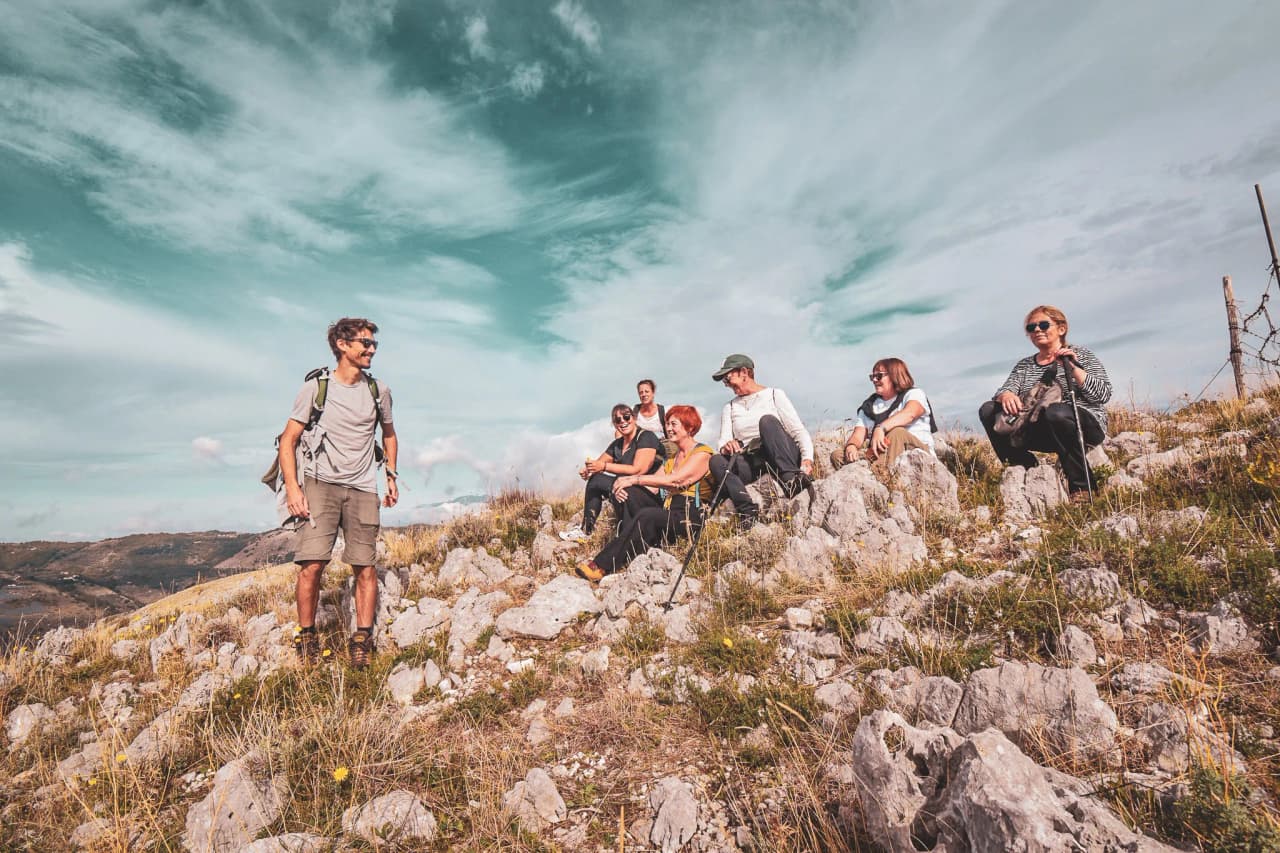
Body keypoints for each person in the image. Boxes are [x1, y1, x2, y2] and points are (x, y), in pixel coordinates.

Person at [278, 318, 398, 669]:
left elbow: (389, 434)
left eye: (374, 343)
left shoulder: (379, 391)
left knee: (366, 565)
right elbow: (289, 440)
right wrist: (293, 489)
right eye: (365, 342)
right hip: (320, 484)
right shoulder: (316, 389)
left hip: (362, 487)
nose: (372, 349)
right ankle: (307, 637)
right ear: (342, 345)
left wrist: (390, 475)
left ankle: (362, 639)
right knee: (311, 565)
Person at [979, 305, 1111, 502]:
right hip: (1035, 425)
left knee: (1055, 412)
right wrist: (1006, 396)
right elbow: (1003, 390)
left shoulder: (1080, 354)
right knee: (988, 410)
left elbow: (1102, 394)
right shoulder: (1024, 365)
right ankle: (1024, 468)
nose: (1037, 330)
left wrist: (1072, 367)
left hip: (1080, 424)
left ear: (1061, 329)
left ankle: (1082, 488)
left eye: (1043, 324)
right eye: (1031, 328)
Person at [575, 405, 714, 581]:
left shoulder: (702, 453)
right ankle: (631, 547)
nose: (669, 429)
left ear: (690, 427)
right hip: (670, 512)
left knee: (647, 514)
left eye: (674, 424)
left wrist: (635, 479)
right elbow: (652, 488)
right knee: (630, 493)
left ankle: (602, 565)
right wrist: (621, 486)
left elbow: (677, 480)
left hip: (690, 516)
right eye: (667, 424)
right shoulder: (671, 460)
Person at [709, 354, 814, 528]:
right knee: (715, 460)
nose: (727, 385)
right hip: (753, 460)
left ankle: (790, 479)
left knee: (767, 421)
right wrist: (727, 447)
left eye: (728, 378)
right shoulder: (730, 407)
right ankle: (747, 509)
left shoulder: (774, 395)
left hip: (779, 451)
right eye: (725, 382)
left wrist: (807, 458)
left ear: (744, 372)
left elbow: (798, 430)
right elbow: (723, 441)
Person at [560, 404, 664, 542]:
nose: (623, 422)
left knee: (608, 483)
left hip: (648, 494)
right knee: (596, 480)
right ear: (614, 424)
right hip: (626, 488)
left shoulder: (646, 437)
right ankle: (587, 529)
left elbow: (639, 469)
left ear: (634, 418)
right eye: (617, 420)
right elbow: (599, 463)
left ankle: (625, 537)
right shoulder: (618, 444)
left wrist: (603, 466)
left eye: (626, 417)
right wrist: (589, 470)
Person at [832, 358, 936, 472]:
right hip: (880, 454)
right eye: (872, 377)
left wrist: (880, 428)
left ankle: (878, 477)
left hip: (915, 453)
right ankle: (864, 475)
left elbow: (910, 413)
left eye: (879, 376)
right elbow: (858, 435)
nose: (874, 380)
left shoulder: (914, 394)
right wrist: (851, 446)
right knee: (838, 455)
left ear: (895, 375)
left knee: (897, 433)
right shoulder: (869, 406)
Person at [635, 378, 678, 459]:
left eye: (646, 391)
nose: (644, 394)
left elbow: (670, 432)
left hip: (661, 446)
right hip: (640, 447)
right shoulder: (634, 412)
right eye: (641, 392)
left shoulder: (662, 411)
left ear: (653, 392)